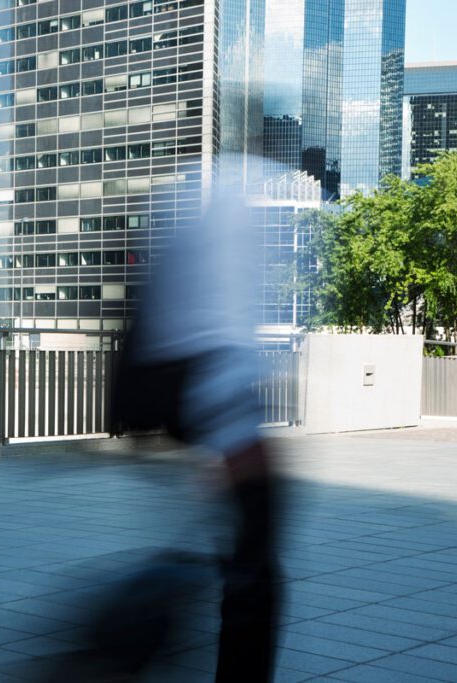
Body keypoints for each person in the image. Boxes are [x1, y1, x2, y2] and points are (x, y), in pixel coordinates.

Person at [106, 177, 284, 681]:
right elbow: (224, 321)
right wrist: (230, 421)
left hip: (185, 389)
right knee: (254, 565)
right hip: (214, 388)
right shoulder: (236, 200)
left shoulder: (191, 200)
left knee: (246, 556)